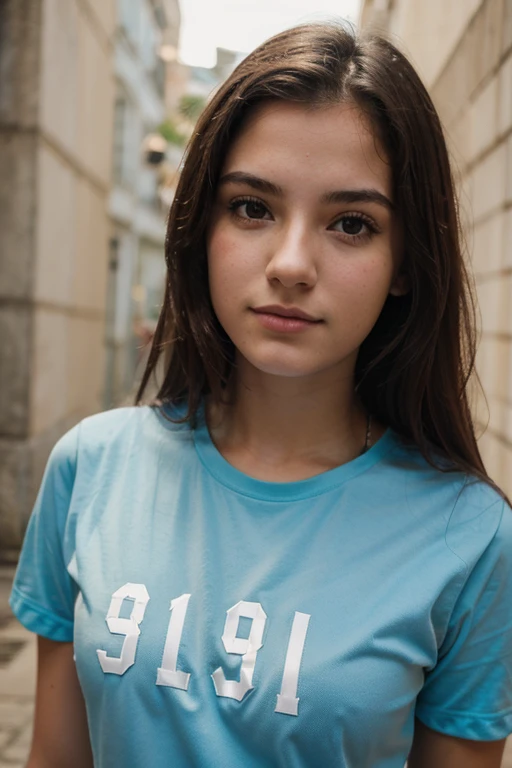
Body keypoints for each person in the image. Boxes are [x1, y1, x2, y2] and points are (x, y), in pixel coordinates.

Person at [10, 21, 512, 768]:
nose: (290, 263)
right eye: (252, 207)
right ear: (200, 226)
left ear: (405, 263)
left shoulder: (469, 539)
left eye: (351, 223)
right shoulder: (91, 468)